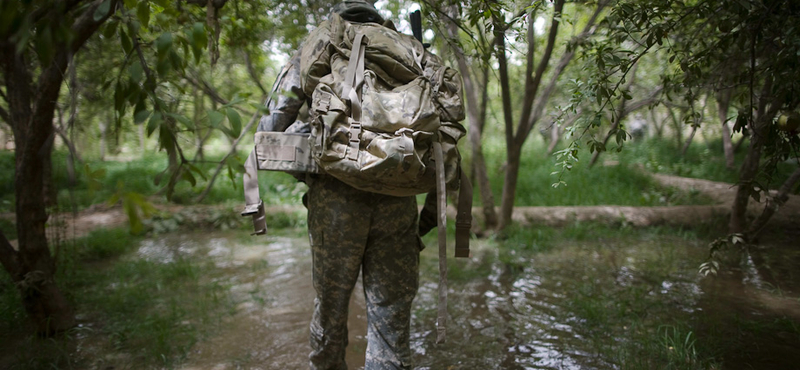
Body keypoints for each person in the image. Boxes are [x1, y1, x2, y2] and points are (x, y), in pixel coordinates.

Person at [257, 2, 433, 368]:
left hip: (334, 202)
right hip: (396, 195)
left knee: (331, 314)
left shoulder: (315, 46)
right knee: (391, 325)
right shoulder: (407, 50)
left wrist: (316, 157)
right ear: (378, 20)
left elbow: (269, 134)